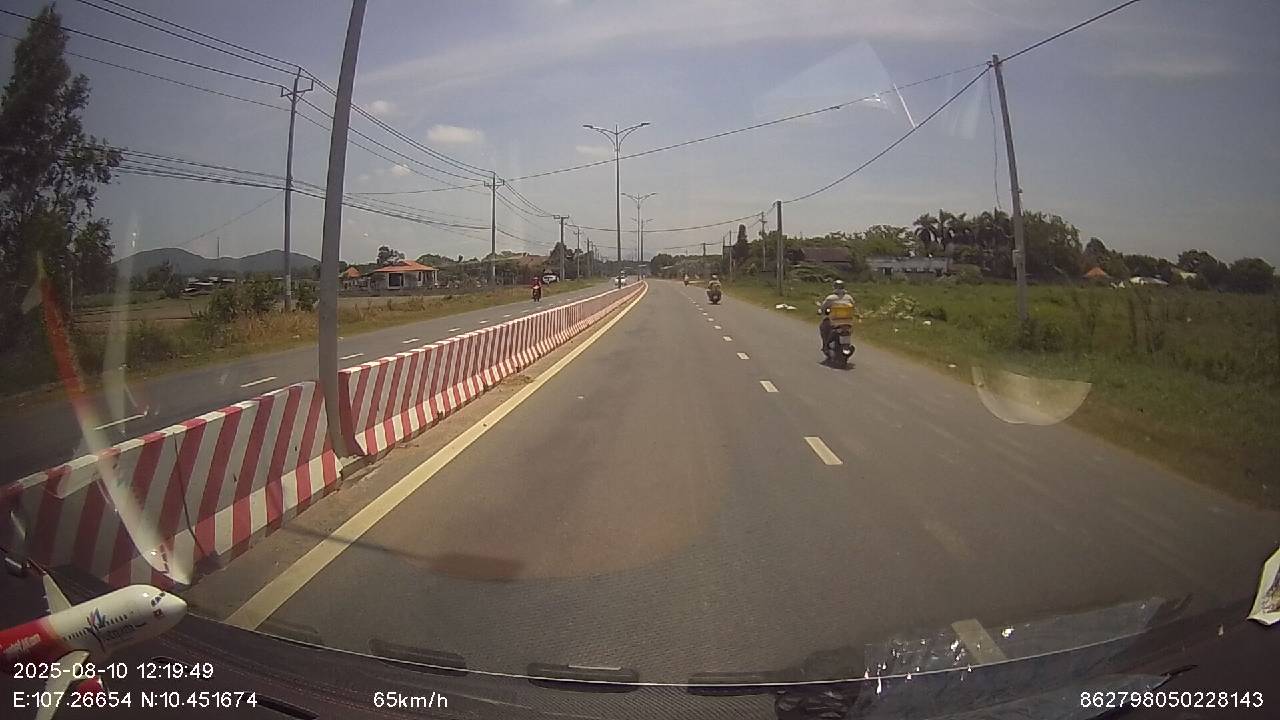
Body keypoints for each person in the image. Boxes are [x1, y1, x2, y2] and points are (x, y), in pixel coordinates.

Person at [818, 279, 854, 350]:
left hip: (834, 321)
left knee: (823, 327)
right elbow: (853, 307)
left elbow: (823, 308)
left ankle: (825, 345)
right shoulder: (849, 297)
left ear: (834, 287)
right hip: (848, 322)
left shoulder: (830, 298)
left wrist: (820, 311)